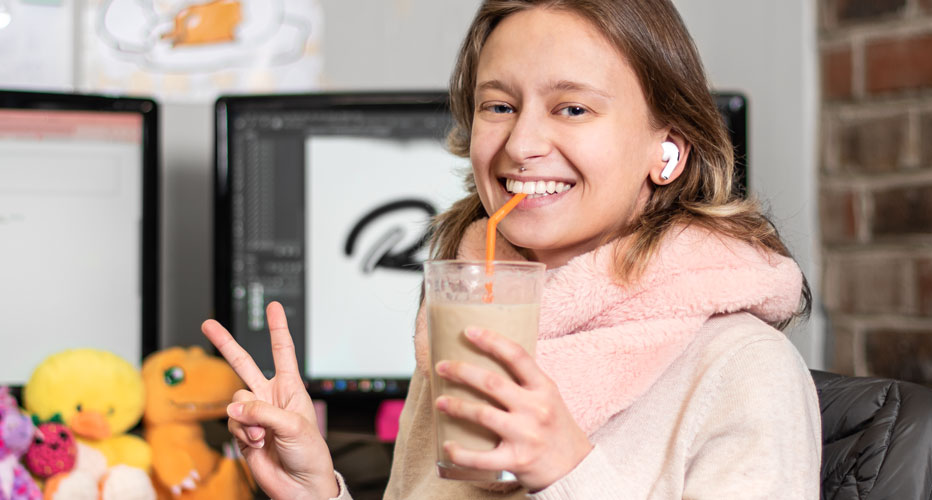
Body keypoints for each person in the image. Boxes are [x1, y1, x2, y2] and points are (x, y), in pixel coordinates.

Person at [202, 0, 822, 498]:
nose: (521, 143)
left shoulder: (744, 369)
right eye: (498, 106)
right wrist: (317, 493)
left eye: (572, 108)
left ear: (669, 150)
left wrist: (567, 471)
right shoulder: (463, 328)